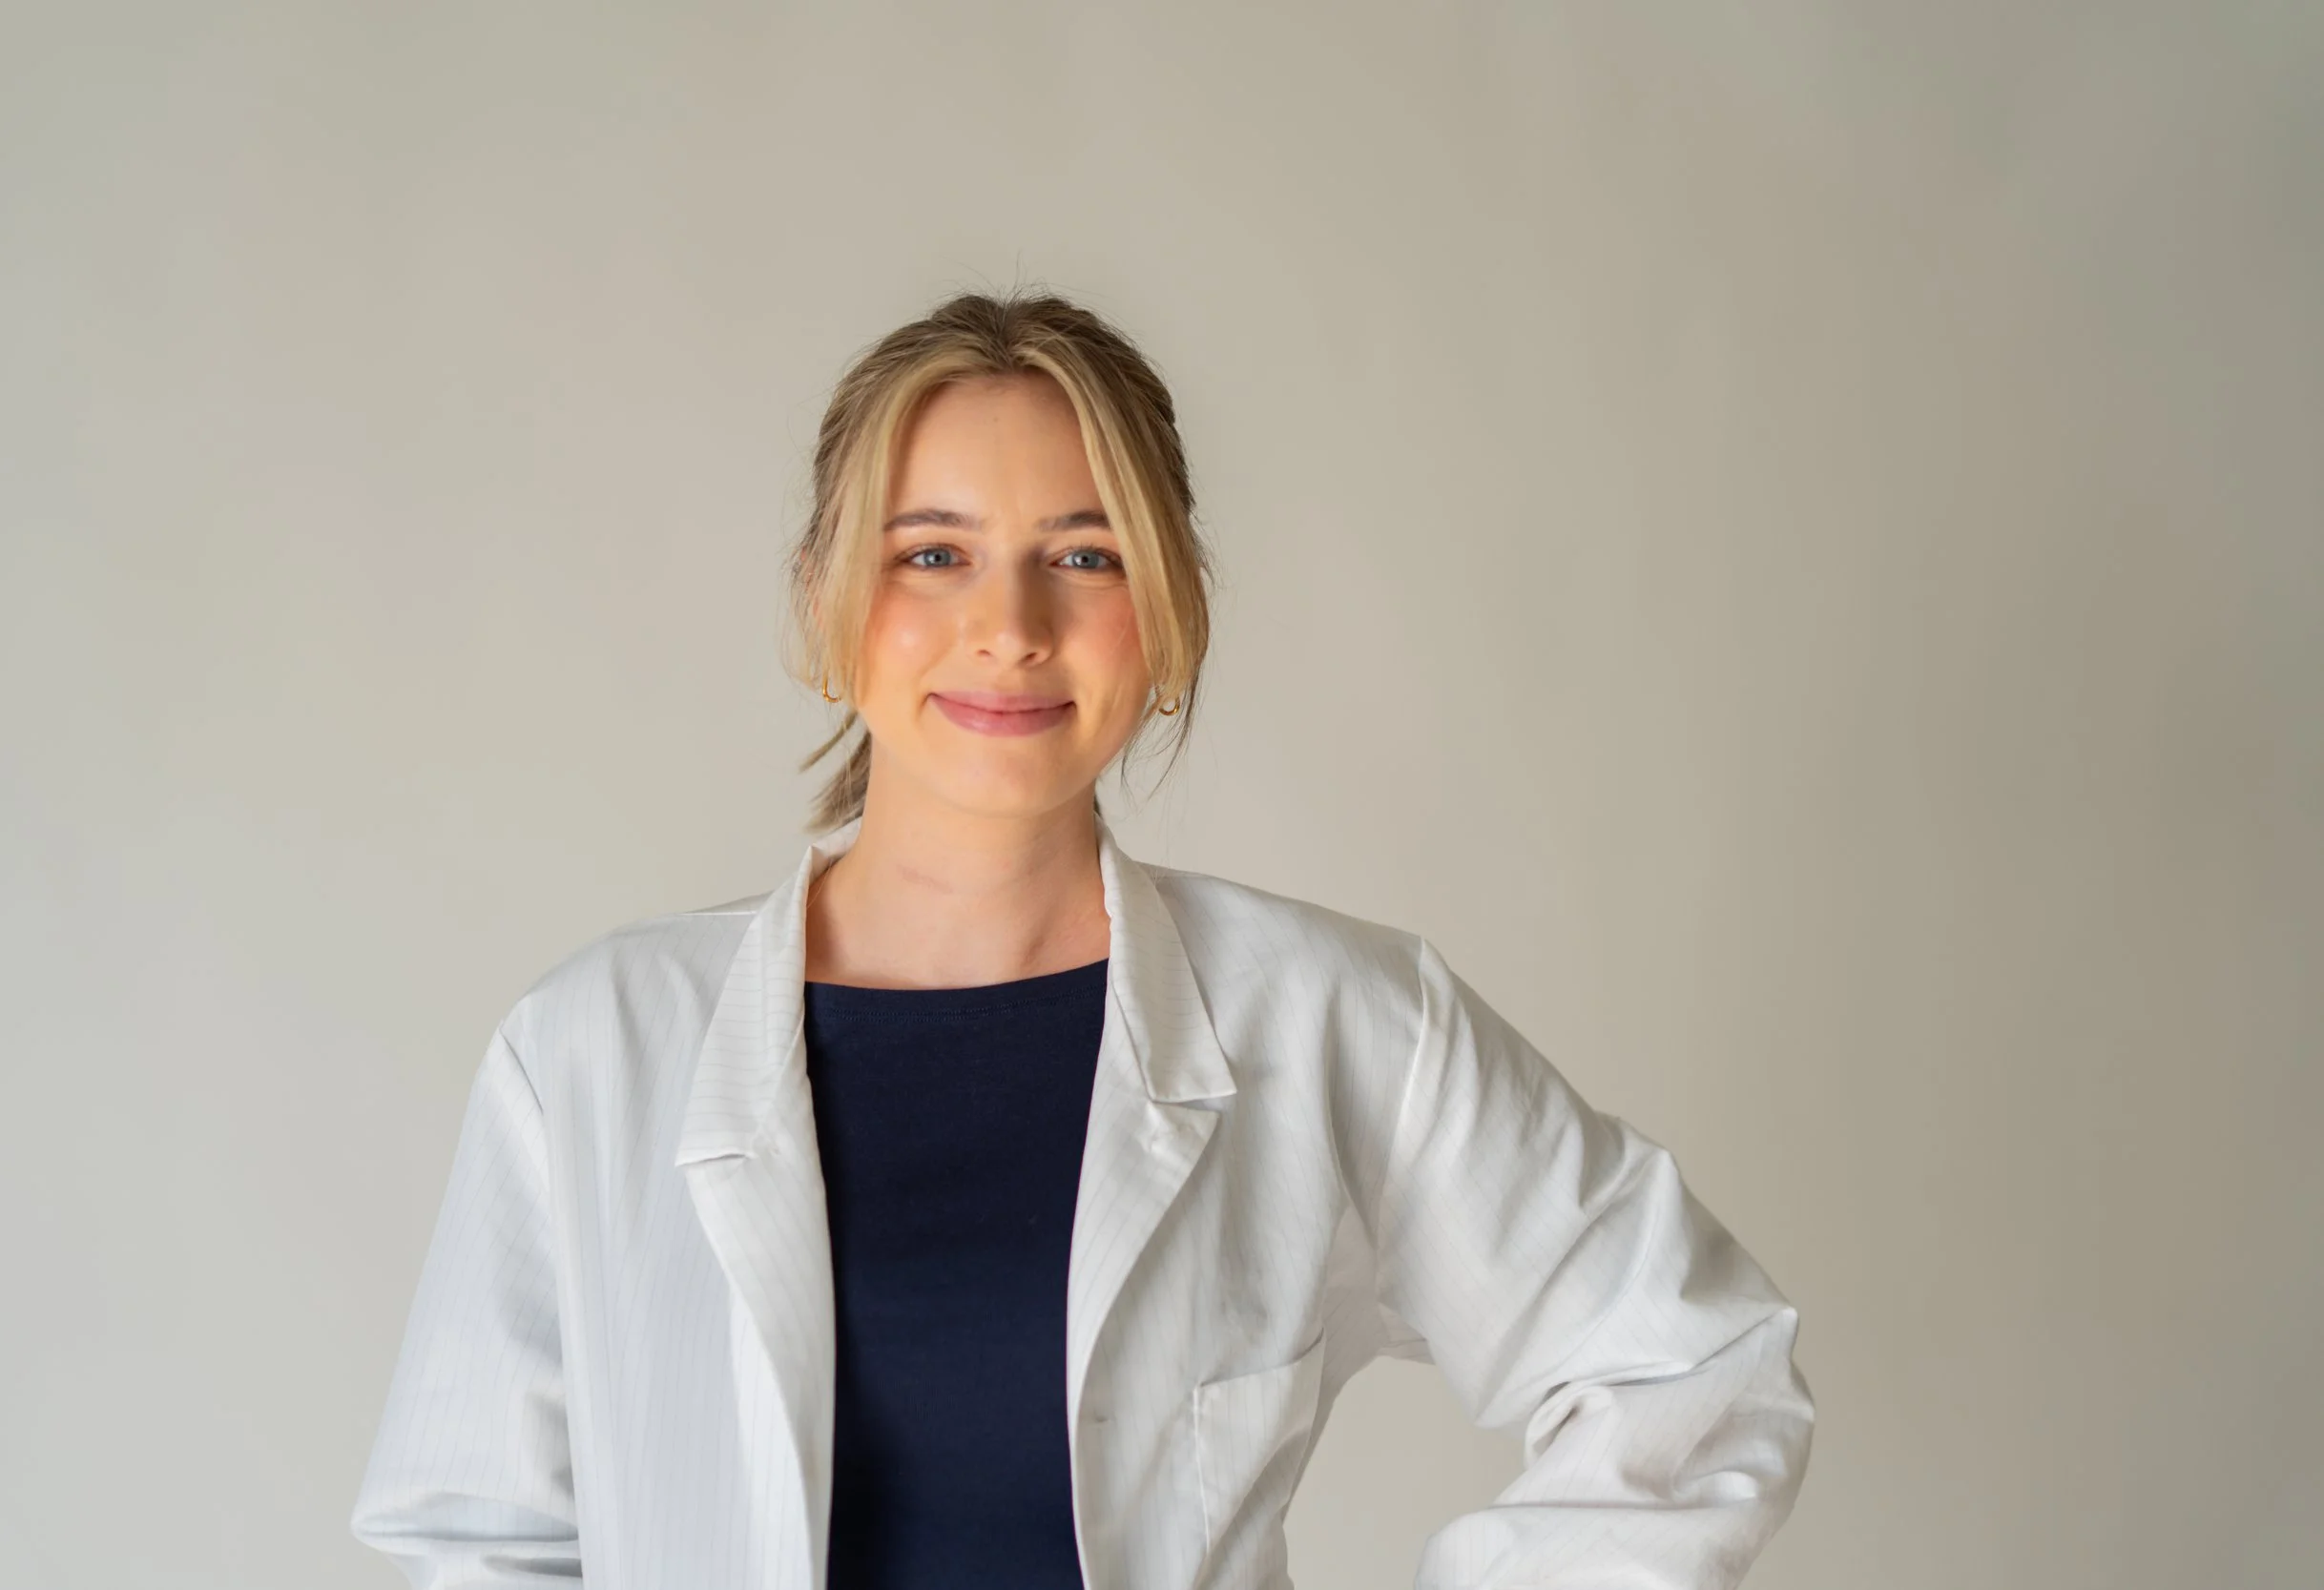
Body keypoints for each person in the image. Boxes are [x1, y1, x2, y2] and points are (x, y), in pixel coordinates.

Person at [348, 290, 1816, 1590]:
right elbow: (482, 1538)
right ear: (824, 594)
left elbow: (1690, 1354)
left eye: (1087, 554)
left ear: (1168, 611)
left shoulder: (1324, 1018)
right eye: (931, 554)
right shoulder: (593, 1052)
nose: (1010, 625)